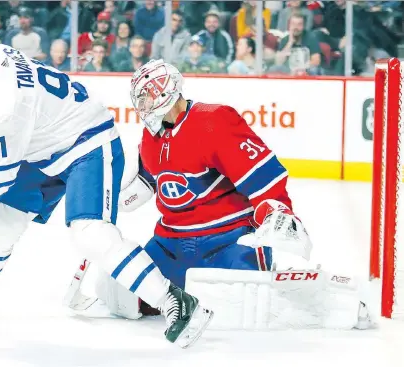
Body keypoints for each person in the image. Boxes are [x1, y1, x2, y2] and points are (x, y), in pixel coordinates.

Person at [0, 33, 212, 348]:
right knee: (5, 219)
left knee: (90, 234)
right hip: (42, 141)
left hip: (88, 143)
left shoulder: (2, 110)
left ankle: (174, 300)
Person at [88, 59, 374, 331]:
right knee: (118, 292)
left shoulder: (213, 121)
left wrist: (277, 213)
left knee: (252, 298)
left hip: (225, 239)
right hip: (170, 245)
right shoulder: (150, 138)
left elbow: (263, 177)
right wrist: (107, 201)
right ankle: (189, 292)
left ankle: (336, 303)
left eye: (146, 97)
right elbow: (147, 186)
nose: (142, 105)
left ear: (163, 92)